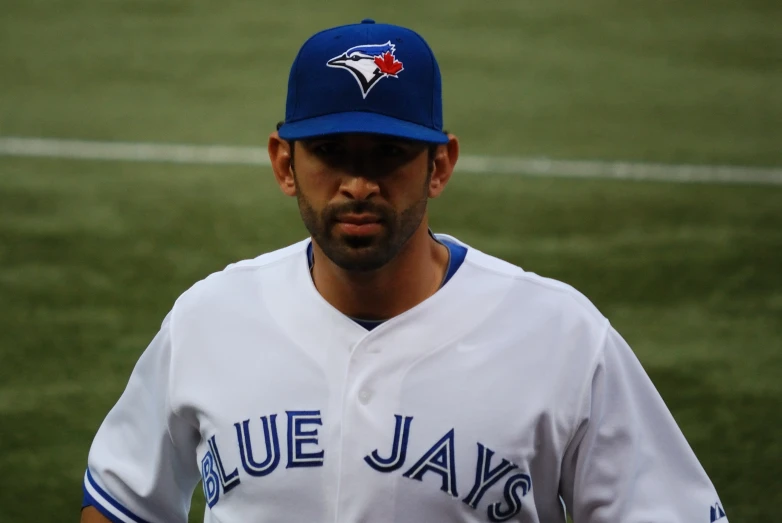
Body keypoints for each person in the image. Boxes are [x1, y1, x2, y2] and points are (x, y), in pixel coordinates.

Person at [81, 19, 728, 523]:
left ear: (440, 165)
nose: (358, 183)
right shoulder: (209, 318)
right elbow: (121, 498)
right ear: (284, 162)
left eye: (388, 154)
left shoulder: (561, 336)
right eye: (331, 153)